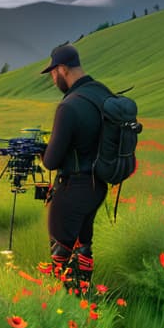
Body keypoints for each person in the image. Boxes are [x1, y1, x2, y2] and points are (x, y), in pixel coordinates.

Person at [38, 43, 112, 295]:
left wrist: (42, 151)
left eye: (52, 73)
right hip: (98, 187)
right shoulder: (102, 93)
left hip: (73, 189)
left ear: (62, 69)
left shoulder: (69, 106)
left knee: (61, 252)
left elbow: (51, 161)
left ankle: (64, 307)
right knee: (82, 246)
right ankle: (84, 297)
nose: (52, 78)